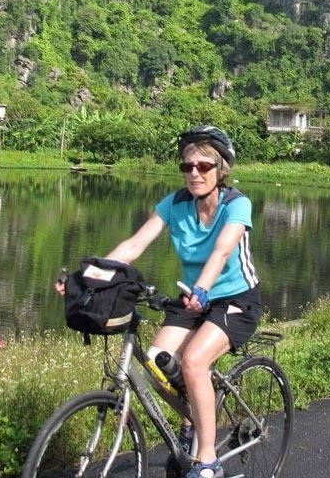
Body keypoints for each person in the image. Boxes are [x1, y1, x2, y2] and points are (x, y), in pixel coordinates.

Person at [57, 125, 261, 478]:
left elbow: (222, 250)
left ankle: (208, 459)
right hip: (192, 296)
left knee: (195, 362)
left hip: (234, 300)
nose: (194, 173)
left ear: (221, 169)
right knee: (155, 363)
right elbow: (135, 245)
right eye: (187, 166)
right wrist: (90, 278)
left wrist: (202, 289)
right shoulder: (175, 204)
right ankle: (190, 420)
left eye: (204, 166)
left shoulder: (236, 204)